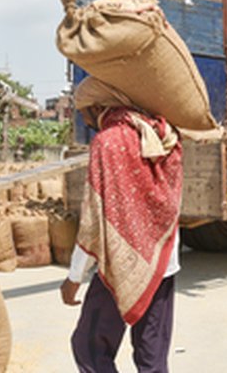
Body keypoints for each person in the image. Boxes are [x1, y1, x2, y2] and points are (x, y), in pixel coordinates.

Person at [60, 76, 183, 372]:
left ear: (97, 106)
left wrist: (74, 276)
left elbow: (94, 219)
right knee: (152, 358)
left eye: (84, 111)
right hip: (163, 261)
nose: (85, 118)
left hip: (121, 263)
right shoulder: (166, 134)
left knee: (90, 348)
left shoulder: (108, 142)